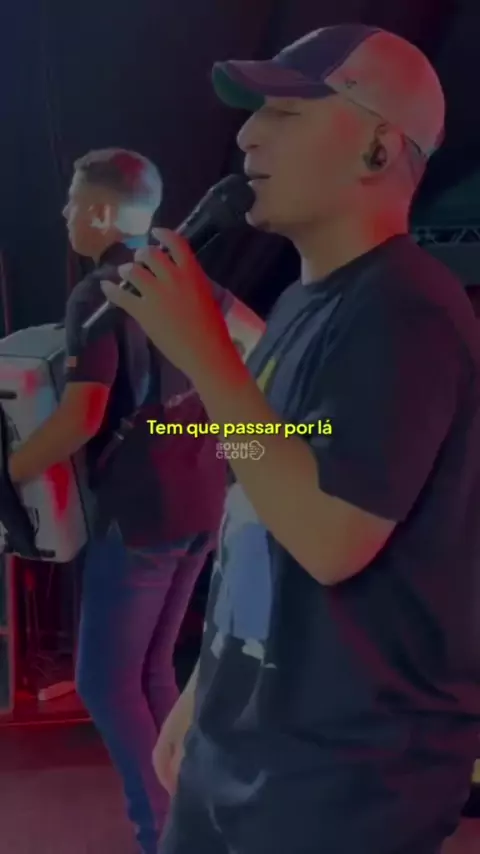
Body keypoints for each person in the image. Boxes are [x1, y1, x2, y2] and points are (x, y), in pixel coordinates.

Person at [102, 25, 480, 854]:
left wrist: (204, 350)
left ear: (380, 147)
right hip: (247, 746)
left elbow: (329, 537)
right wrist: (206, 692)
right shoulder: (307, 305)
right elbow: (261, 514)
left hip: (345, 782)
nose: (247, 135)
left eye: (285, 111)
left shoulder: (407, 310)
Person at [8, 148, 264, 854]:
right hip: (202, 500)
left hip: (141, 514)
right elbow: (259, 341)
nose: (64, 215)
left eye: (71, 202)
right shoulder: (182, 273)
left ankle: (163, 837)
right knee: (149, 673)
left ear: (98, 212)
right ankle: (190, 825)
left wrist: (10, 471)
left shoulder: (96, 295)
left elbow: (81, 418)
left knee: (102, 681)